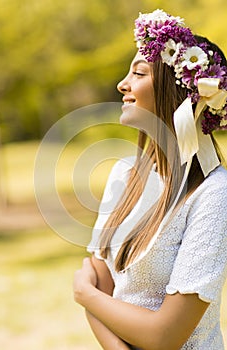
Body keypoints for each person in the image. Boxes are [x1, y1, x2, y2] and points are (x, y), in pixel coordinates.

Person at [73, 9, 227, 350]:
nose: (122, 84)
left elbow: (165, 336)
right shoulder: (123, 175)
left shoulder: (214, 193)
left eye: (138, 73)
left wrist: (84, 294)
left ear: (176, 91)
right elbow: (102, 288)